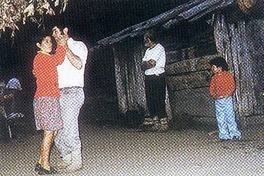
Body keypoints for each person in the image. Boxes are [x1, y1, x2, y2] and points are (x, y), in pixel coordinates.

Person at [52, 26, 88, 172]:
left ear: (65, 31)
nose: (54, 34)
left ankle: (76, 160)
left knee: (69, 126)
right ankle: (66, 158)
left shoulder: (78, 45)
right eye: (52, 32)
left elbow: (78, 64)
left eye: (56, 31)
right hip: (57, 93)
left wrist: (65, 45)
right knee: (57, 129)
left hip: (73, 91)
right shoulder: (55, 51)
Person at [33, 35, 66, 175]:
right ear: (38, 44)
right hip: (46, 98)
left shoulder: (45, 58)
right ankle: (45, 167)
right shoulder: (41, 57)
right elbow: (59, 58)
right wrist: (62, 43)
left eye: (50, 41)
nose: (49, 43)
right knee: (49, 132)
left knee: (54, 131)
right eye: (46, 41)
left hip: (50, 97)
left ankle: (41, 162)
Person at [140, 29, 168, 132]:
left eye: (146, 39)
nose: (145, 41)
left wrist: (147, 64)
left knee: (159, 99)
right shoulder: (148, 51)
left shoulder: (159, 48)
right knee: (150, 100)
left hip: (157, 76)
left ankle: (163, 123)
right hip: (149, 77)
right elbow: (142, 66)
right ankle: (155, 123)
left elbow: (152, 63)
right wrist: (147, 64)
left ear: (150, 39)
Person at [209, 56, 241, 141]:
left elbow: (232, 86)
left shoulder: (228, 75)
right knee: (220, 118)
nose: (212, 69)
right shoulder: (214, 78)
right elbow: (212, 89)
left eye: (213, 67)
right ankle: (224, 135)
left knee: (230, 116)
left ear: (220, 67)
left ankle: (234, 133)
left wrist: (228, 94)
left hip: (227, 99)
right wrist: (214, 95)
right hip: (218, 101)